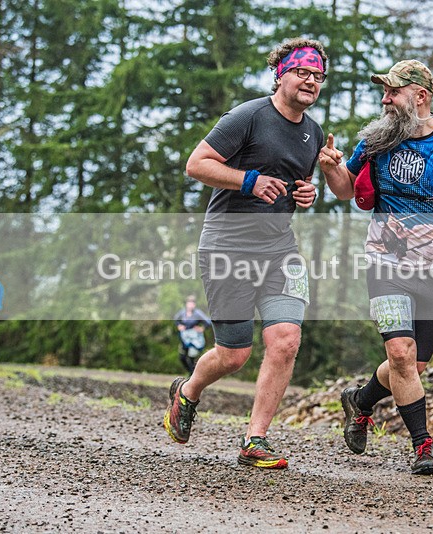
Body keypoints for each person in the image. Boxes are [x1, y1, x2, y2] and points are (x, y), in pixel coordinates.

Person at [320, 60, 433, 474]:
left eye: (393, 92)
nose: (385, 99)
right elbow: (346, 190)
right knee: (400, 354)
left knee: (414, 365)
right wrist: (331, 169)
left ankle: (361, 401)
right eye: (383, 91)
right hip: (384, 263)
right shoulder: (375, 140)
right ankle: (424, 446)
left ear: (419, 96)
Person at [163, 38, 326, 469]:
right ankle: (188, 391)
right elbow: (197, 164)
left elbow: (296, 183)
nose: (310, 81)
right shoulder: (248, 116)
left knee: (285, 341)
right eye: (302, 72)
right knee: (234, 354)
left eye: (317, 76)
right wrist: (248, 180)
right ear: (281, 74)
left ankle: (255, 439)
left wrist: (307, 193)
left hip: (280, 248)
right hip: (228, 244)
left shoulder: (315, 131)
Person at [174, 295, 212, 374]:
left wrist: (202, 328)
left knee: (191, 357)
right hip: (184, 338)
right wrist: (179, 326)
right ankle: (190, 373)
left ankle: (193, 375)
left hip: (195, 338)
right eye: (189, 303)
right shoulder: (182, 312)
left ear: (194, 305)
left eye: (192, 303)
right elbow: (176, 319)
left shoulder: (197, 313)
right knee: (182, 357)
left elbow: (208, 322)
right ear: (186, 304)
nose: (190, 305)